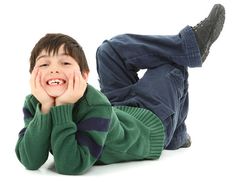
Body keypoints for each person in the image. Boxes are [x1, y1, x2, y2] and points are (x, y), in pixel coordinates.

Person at [15, 4, 225, 175]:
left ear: (84, 76)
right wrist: (49, 108)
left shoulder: (94, 102)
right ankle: (176, 134)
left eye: (65, 63)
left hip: (123, 111)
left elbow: (61, 162)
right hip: (154, 125)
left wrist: (61, 105)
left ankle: (188, 47)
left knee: (109, 50)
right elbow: (46, 162)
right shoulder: (35, 104)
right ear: (32, 74)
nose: (53, 70)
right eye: (44, 64)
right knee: (170, 67)